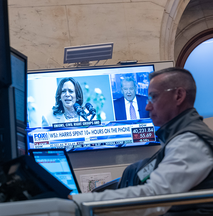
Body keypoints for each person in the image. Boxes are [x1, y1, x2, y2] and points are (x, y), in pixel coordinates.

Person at [70, 67, 213, 216]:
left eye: (154, 97)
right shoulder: (179, 137)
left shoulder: (190, 142)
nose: (147, 106)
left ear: (178, 96)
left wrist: (78, 202)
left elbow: (153, 197)